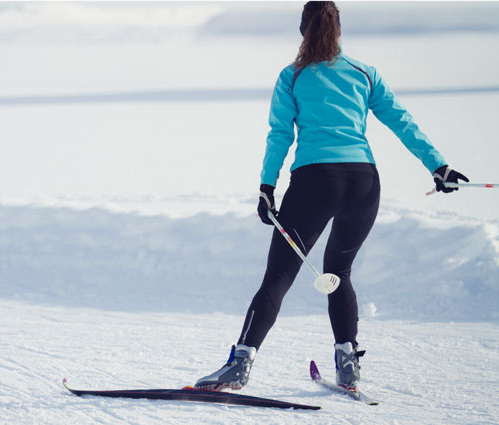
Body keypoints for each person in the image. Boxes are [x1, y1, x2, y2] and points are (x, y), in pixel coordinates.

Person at [195, 1, 468, 391]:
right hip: (363, 184)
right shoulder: (364, 74)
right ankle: (348, 363)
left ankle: (241, 363)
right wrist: (437, 166)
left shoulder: (292, 76)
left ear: (302, 30)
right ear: (338, 30)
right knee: (338, 273)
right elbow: (401, 120)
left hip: (314, 183)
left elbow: (280, 135)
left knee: (279, 276)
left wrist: (267, 187)